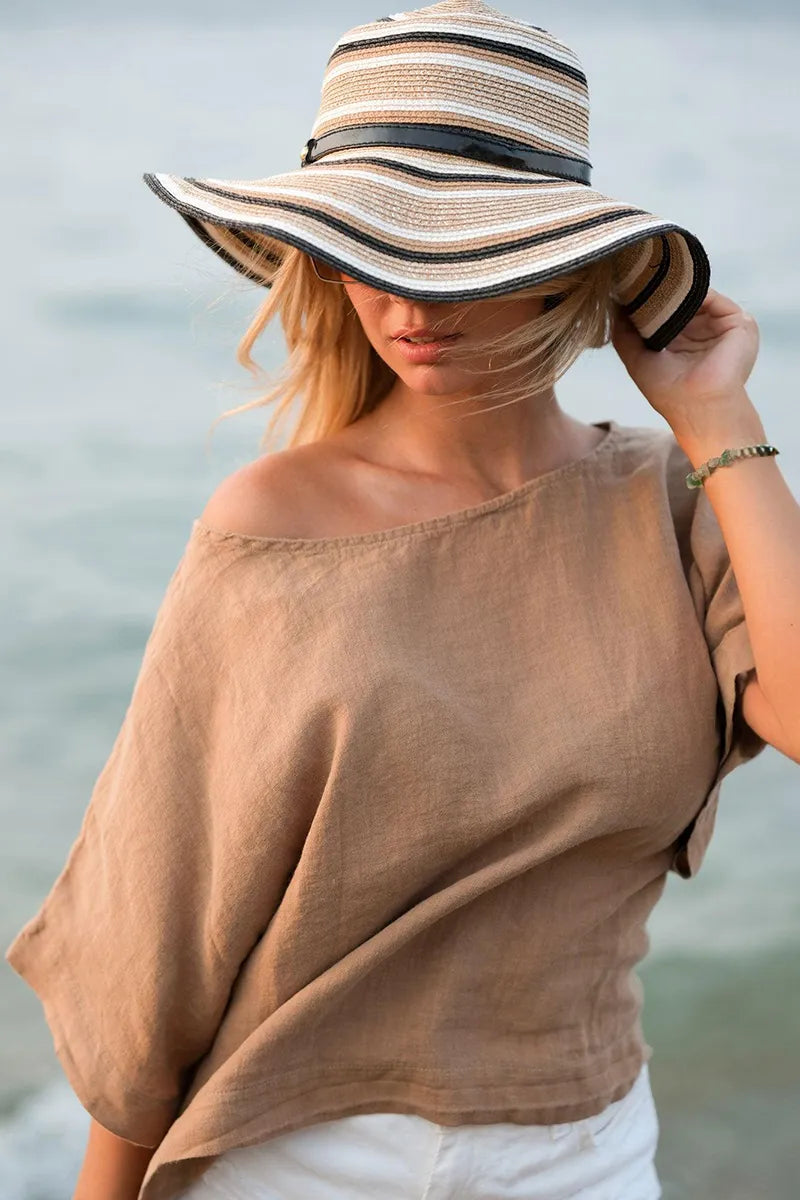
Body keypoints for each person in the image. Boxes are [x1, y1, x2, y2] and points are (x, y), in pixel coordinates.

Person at [7, 3, 799, 1199]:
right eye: (367, 246)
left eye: (460, 251)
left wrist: (719, 425)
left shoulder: (669, 502)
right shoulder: (273, 522)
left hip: (586, 1152)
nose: (406, 299)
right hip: (296, 1157)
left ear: (556, 267)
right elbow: (159, 929)